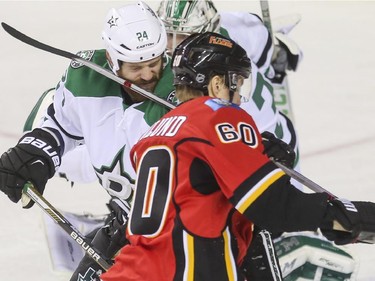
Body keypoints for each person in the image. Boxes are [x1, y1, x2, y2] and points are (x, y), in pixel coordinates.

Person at [100, 31, 375, 281]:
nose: (240, 98)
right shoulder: (220, 115)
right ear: (218, 83)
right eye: (238, 85)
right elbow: (271, 206)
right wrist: (346, 214)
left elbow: (196, 200)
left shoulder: (155, 133)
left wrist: (257, 163)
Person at [0, 1, 176, 280]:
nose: (146, 75)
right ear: (111, 58)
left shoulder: (186, 87)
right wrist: (35, 153)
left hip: (182, 234)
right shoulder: (87, 79)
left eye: (154, 63)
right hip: (126, 224)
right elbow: (59, 123)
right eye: (135, 67)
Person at [156, 0, 303, 189]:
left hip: (270, 155)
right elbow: (265, 43)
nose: (173, 45)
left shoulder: (198, 79)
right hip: (270, 140)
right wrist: (277, 50)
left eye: (185, 36)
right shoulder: (235, 26)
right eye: (168, 34)